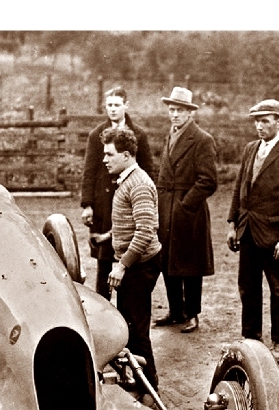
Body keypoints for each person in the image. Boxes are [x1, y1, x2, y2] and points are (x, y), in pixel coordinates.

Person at [227, 99, 279, 363]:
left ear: (278, 121)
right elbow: (240, 187)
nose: (260, 126)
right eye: (256, 121)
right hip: (247, 231)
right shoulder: (251, 149)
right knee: (247, 288)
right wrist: (232, 223)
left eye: (265, 121)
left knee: (278, 290)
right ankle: (251, 339)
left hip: (274, 237)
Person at [81, 86, 155, 300]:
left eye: (116, 105)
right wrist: (88, 204)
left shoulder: (139, 134)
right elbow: (89, 170)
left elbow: (148, 170)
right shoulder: (96, 134)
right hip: (104, 202)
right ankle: (103, 303)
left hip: (130, 200)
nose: (112, 109)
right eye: (109, 105)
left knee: (128, 252)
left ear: (126, 106)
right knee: (104, 260)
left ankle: (127, 305)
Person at [102, 127, 162, 391]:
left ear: (126, 155)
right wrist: (109, 236)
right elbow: (131, 221)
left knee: (137, 331)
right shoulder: (126, 179)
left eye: (109, 154)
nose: (104, 159)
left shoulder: (138, 184)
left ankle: (149, 388)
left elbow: (146, 230)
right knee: (127, 326)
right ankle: (135, 380)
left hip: (141, 266)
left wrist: (122, 266)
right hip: (134, 264)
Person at [155, 87, 218, 333]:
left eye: (180, 111)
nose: (175, 115)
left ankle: (192, 313)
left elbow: (208, 180)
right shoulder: (169, 136)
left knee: (190, 264)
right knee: (168, 260)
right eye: (172, 110)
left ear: (190, 113)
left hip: (188, 212)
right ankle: (176, 310)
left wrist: (185, 204)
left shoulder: (202, 139)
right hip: (166, 207)